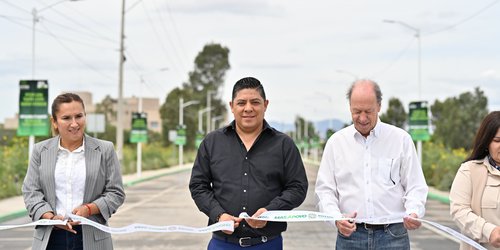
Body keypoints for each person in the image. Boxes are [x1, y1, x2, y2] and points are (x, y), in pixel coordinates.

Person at [189, 77, 308, 249]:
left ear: (265, 105)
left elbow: (297, 187)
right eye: (241, 103)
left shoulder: (283, 145)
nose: (248, 108)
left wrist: (270, 212)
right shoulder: (212, 142)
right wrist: (219, 215)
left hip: (267, 244)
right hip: (222, 244)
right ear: (231, 106)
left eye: (255, 102)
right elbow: (198, 185)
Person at [315, 79, 428, 250]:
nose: (362, 118)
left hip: (393, 236)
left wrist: (414, 212)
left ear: (379, 106)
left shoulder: (400, 140)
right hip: (351, 237)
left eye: (368, 111)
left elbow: (415, 186)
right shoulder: (336, 143)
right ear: (349, 107)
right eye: (356, 111)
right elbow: (325, 191)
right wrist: (336, 218)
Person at [22, 93, 125, 250]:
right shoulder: (40, 151)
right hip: (51, 239)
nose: (74, 123)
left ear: (85, 116)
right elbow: (31, 192)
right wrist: (51, 217)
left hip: (92, 239)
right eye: (66, 118)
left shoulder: (105, 149)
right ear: (54, 122)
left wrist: (89, 209)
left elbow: (116, 193)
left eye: (79, 116)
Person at [449, 111, 500, 250]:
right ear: (486, 141)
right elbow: (459, 210)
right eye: (497, 141)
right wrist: (489, 231)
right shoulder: (469, 171)